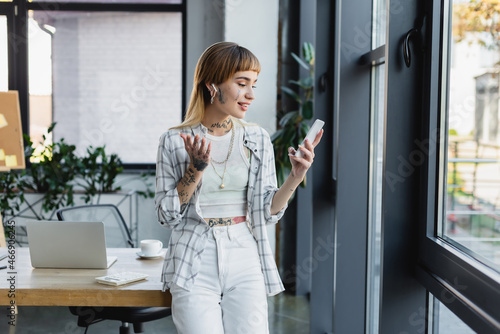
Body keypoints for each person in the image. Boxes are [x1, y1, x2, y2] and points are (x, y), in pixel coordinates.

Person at [155, 41, 323, 334]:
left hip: (245, 252)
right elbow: (166, 217)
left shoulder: (257, 138)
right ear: (211, 86)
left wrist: (296, 176)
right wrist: (195, 169)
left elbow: (268, 212)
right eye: (241, 83)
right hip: (194, 254)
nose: (250, 95)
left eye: (253, 84)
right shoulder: (174, 141)